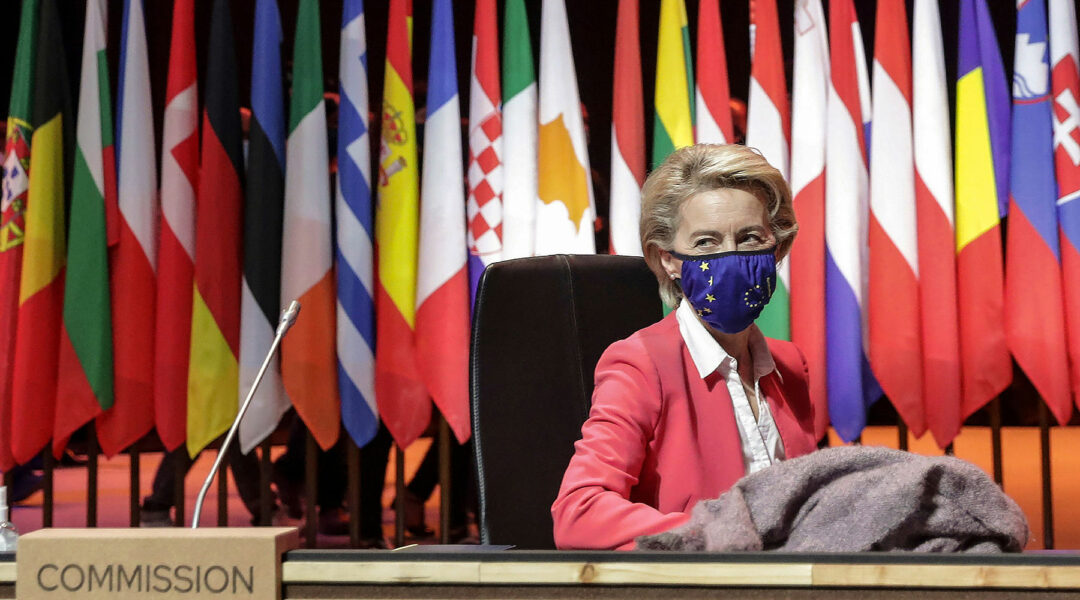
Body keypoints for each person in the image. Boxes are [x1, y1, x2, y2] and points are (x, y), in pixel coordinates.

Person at [551, 144, 818, 550]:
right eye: (706, 242)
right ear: (668, 260)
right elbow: (579, 513)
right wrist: (718, 535)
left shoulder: (790, 365)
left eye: (749, 238)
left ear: (776, 247)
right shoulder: (641, 365)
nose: (730, 257)